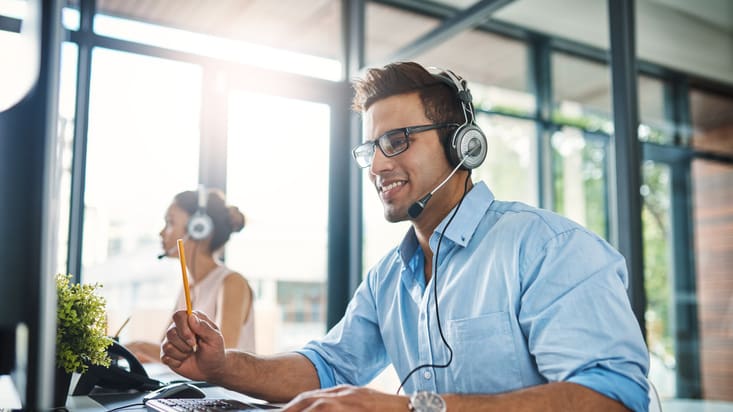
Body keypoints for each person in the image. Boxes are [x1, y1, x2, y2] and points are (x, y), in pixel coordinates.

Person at [160, 62, 650, 411]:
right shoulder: (389, 278)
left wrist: (414, 408)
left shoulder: (547, 248)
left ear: (463, 145)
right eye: (370, 148)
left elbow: (612, 397)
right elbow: (328, 366)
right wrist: (224, 367)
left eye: (396, 141)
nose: (376, 164)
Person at [127, 187, 255, 363]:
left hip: (225, 391)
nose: (161, 233)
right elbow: (167, 351)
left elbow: (222, 358)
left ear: (198, 228)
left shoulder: (232, 283)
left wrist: (140, 346)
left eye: (170, 223)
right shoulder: (189, 286)